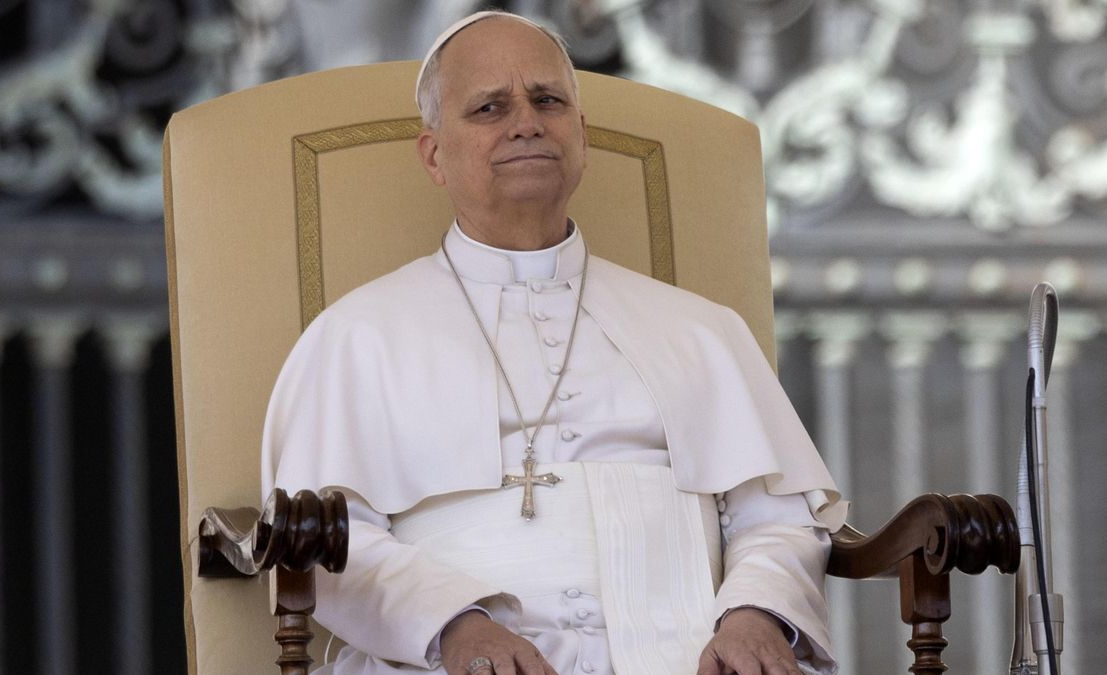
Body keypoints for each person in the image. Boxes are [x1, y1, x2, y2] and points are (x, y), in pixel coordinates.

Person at [262, 10, 846, 675]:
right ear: (434, 156)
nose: (527, 123)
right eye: (489, 107)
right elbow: (328, 541)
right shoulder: (356, 336)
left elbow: (776, 515)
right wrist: (452, 626)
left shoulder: (700, 330)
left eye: (548, 101)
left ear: (581, 135)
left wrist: (753, 612)